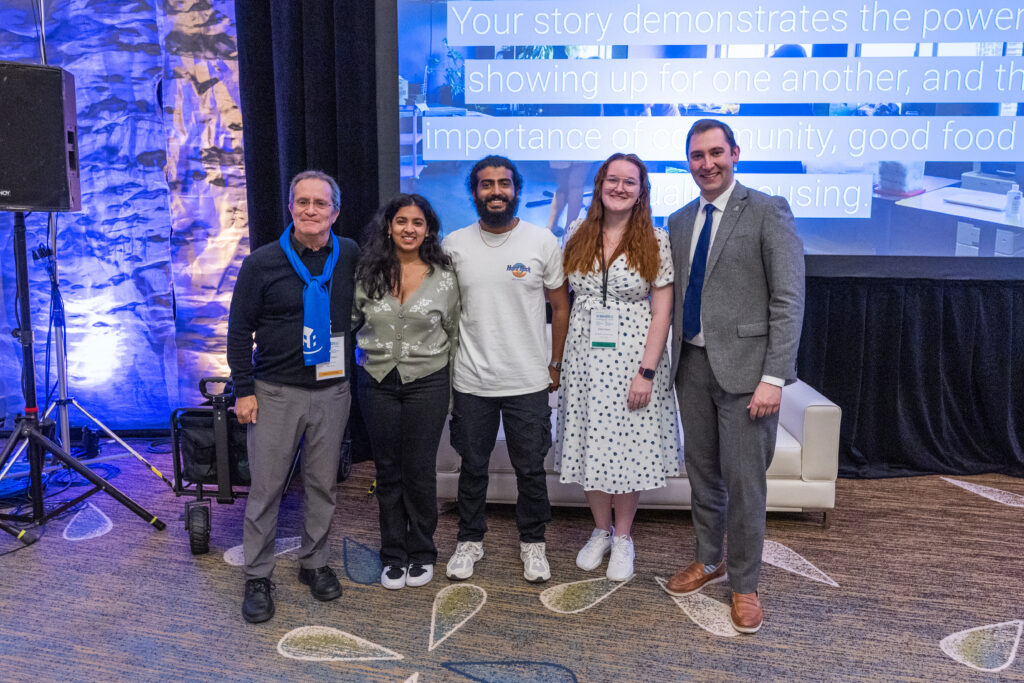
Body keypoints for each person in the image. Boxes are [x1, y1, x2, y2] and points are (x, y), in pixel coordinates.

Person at [664, 120, 805, 634]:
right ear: (688, 161)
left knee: (746, 485)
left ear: (735, 154)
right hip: (692, 366)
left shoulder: (768, 210)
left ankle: (745, 584)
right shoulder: (679, 221)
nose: (707, 164)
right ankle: (709, 559)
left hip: (749, 375)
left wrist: (774, 377)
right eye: (697, 155)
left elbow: (788, 299)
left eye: (716, 153)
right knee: (703, 474)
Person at [227, 170, 360, 624]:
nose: (310, 210)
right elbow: (239, 331)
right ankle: (258, 575)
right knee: (267, 489)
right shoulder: (261, 263)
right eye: (302, 201)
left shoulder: (350, 255)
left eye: (320, 203)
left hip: (332, 391)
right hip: (275, 393)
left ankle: (314, 563)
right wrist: (244, 390)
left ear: (335, 212)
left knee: (323, 484)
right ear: (290, 208)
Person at [442, 155, 570, 583]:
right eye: (486, 184)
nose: (495, 191)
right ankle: (469, 540)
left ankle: (533, 543)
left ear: (516, 189)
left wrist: (555, 363)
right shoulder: (454, 244)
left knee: (530, 469)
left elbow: (560, 307)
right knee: (472, 467)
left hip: (527, 379)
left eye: (503, 183)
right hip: (472, 379)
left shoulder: (541, 241)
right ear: (474, 191)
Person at [554, 153, 680, 582]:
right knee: (590, 443)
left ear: (641, 190)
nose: (619, 188)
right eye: (612, 179)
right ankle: (600, 531)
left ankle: (624, 536)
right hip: (584, 360)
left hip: (632, 360)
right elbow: (562, 295)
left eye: (630, 181)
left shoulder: (656, 239)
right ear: (600, 184)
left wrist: (646, 372)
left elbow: (662, 312)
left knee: (627, 449)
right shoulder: (577, 231)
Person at [352, 193, 460, 590]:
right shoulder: (367, 272)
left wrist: (454, 394)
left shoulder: (445, 278)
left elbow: (455, 335)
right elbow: (348, 320)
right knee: (387, 470)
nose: (409, 229)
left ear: (428, 230)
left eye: (417, 222)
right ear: (388, 226)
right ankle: (393, 555)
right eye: (401, 221)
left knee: (419, 470)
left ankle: (423, 552)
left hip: (427, 382)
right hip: (377, 381)